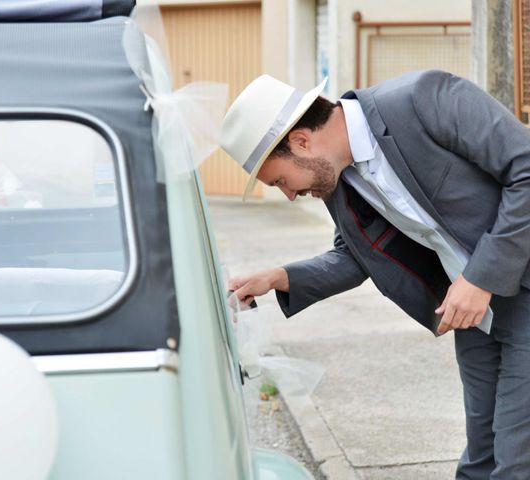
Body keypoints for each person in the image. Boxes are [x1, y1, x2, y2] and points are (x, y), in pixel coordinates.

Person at [220, 70, 530, 479]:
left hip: (514, 288)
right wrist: (277, 277)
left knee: (516, 459)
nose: (290, 194)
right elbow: (356, 256)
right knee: (481, 457)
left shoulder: (422, 99)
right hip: (473, 315)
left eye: (280, 180)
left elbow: (525, 170)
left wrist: (480, 279)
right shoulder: (339, 183)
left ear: (301, 141)